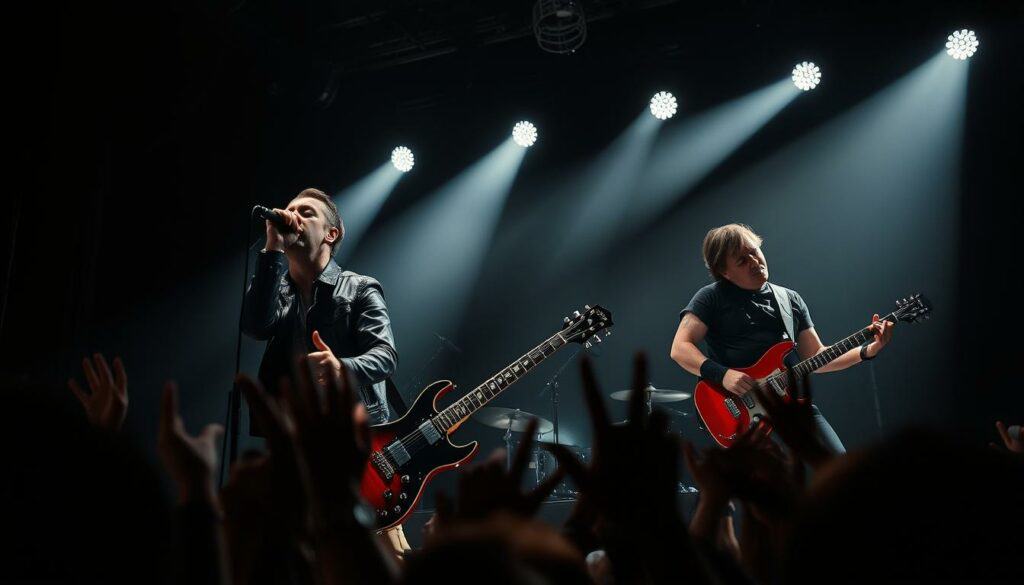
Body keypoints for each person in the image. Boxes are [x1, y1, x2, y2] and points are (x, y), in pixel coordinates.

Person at [670, 223, 894, 452]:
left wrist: (867, 351)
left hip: (791, 408)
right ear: (725, 272)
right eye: (742, 260)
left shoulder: (789, 299)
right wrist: (724, 375)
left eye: (754, 251)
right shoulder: (710, 297)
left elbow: (816, 356)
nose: (755, 262)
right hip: (741, 416)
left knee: (840, 464)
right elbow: (680, 348)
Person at [241, 188, 398, 427]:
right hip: (295, 429)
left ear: (330, 234)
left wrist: (342, 368)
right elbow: (254, 327)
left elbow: (386, 357)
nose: (293, 217)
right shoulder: (275, 290)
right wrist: (273, 248)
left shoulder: (360, 287)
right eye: (291, 210)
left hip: (353, 426)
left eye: (306, 213)